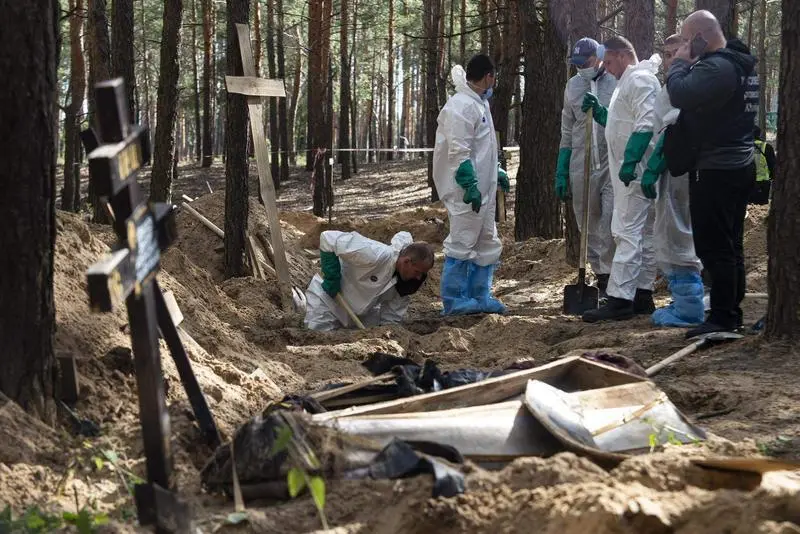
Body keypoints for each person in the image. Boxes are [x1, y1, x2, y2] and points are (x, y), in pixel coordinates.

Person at [666, 10, 759, 338]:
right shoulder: (738, 63)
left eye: (688, 39)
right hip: (736, 164)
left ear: (699, 38)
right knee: (730, 243)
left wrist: (678, 63)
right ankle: (729, 307)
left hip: (717, 168)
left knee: (714, 245)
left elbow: (679, 93)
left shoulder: (718, 67)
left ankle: (723, 317)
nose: (685, 46)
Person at [580, 36, 661, 322]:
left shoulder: (639, 81)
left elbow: (647, 122)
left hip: (634, 172)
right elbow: (622, 123)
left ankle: (620, 298)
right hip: (633, 171)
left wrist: (632, 160)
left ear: (624, 55)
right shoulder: (627, 82)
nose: (607, 68)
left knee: (626, 232)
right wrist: (602, 114)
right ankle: (642, 294)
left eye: (610, 62)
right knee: (642, 234)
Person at [433, 54, 510, 315]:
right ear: (488, 76)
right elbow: (459, 151)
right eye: (493, 76)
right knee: (463, 240)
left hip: (483, 188)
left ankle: (480, 295)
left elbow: (483, 148)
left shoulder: (479, 104)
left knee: (487, 240)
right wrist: (469, 184)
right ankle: (454, 300)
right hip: (466, 191)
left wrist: (495, 171)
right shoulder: (461, 106)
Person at [639, 34, 705, 327]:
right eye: (664, 54)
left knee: (677, 232)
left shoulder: (687, 86)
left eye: (673, 53)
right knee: (673, 229)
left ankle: (689, 307)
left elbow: (675, 128)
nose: (668, 60)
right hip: (677, 169)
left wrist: (657, 162)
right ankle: (684, 299)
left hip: (680, 169)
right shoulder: (678, 85)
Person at [557, 37, 617, 296]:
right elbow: (567, 130)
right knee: (587, 223)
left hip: (610, 162)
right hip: (581, 163)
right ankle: (601, 278)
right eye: (578, 64)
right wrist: (561, 168)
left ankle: (615, 276)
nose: (583, 68)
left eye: (587, 62)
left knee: (611, 221)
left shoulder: (615, 81)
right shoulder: (572, 86)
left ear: (600, 57)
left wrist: (602, 111)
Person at [304, 231, 434, 331]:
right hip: (327, 302)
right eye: (418, 272)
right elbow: (328, 238)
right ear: (406, 262)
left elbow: (391, 319)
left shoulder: (406, 283)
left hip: (360, 316)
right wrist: (332, 277)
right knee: (317, 335)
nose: (418, 278)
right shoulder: (375, 254)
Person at [750, 125, 775, 205]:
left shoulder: (744, 148)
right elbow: (773, 165)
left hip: (748, 183)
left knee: (749, 207)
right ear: (759, 134)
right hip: (764, 183)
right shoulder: (767, 147)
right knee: (762, 207)